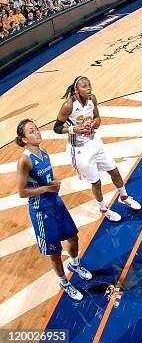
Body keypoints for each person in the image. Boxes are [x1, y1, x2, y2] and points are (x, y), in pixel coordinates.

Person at [16, 119, 93, 301]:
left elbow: (43, 180)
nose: (37, 132)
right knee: (54, 251)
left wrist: (51, 186)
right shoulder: (24, 160)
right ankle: (64, 283)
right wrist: (47, 188)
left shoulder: (43, 153)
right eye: (31, 131)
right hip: (41, 211)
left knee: (73, 237)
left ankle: (74, 265)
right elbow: (22, 192)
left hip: (56, 203)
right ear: (24, 139)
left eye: (36, 128)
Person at [55, 76, 141, 222]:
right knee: (96, 182)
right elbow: (56, 128)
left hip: (94, 141)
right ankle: (103, 209)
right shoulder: (68, 105)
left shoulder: (92, 99)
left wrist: (95, 123)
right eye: (84, 86)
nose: (89, 88)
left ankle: (124, 197)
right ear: (77, 90)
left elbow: (98, 118)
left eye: (89, 85)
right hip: (79, 149)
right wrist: (73, 129)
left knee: (114, 171)